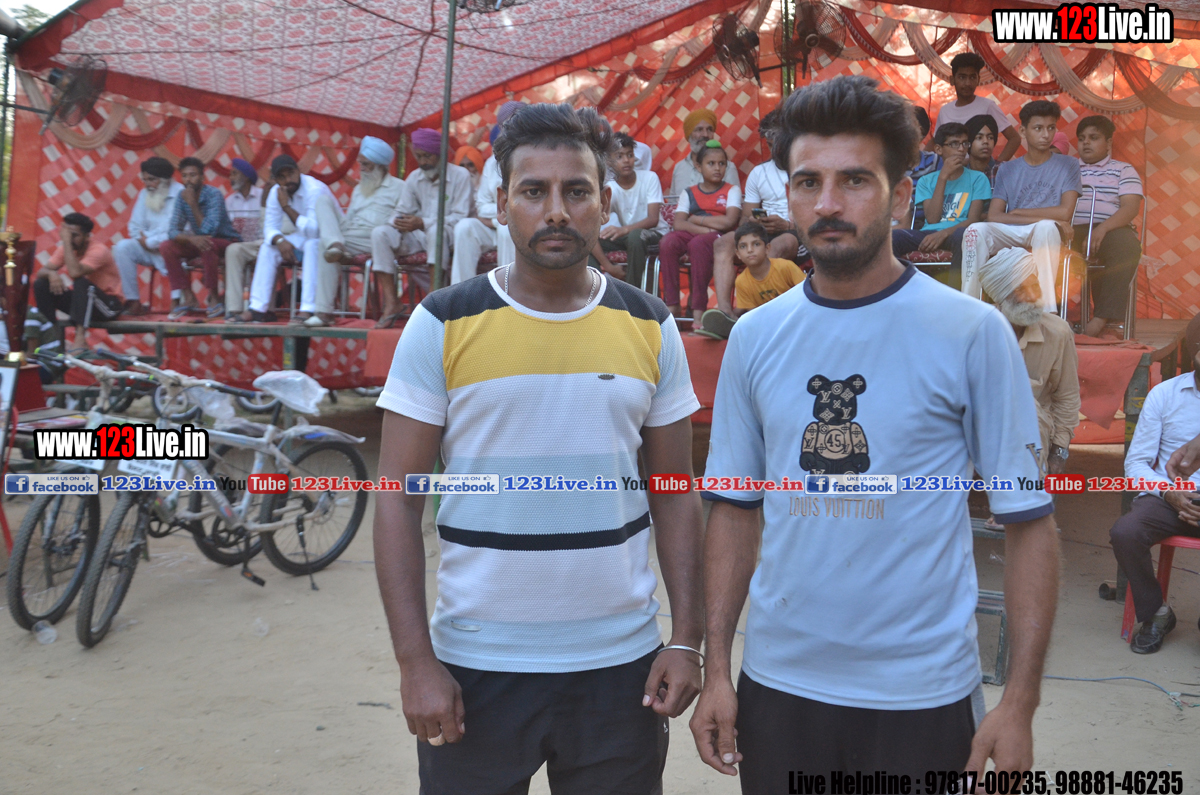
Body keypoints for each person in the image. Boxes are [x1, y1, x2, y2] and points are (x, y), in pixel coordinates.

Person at [688, 75, 1058, 786]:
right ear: (788, 195)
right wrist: (718, 671)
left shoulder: (971, 332)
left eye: (855, 180)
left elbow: (1028, 522)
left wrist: (1019, 703)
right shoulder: (755, 337)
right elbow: (733, 506)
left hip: (922, 695)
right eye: (809, 182)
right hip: (778, 685)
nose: (828, 203)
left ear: (899, 193)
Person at [374, 102, 704, 795]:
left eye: (576, 191)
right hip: (475, 666)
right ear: (502, 203)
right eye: (534, 191)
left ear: (605, 203)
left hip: (619, 668)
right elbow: (397, 500)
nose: (556, 210)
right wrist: (415, 662)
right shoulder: (442, 321)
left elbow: (676, 495)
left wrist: (685, 639)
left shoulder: (650, 323)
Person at [1109, 344, 1200, 653]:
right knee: (1126, 532)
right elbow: (1136, 464)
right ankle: (1157, 613)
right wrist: (1167, 492)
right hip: (1167, 496)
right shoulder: (1165, 394)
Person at [962, 100, 1082, 312]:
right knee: (974, 230)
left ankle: (1046, 311)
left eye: (1051, 128)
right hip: (1013, 231)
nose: (1046, 135)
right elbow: (994, 216)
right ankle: (971, 308)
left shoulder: (1069, 165)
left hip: (1045, 233)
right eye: (1038, 128)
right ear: (1023, 131)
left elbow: (1065, 212)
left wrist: (1018, 212)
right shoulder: (1008, 168)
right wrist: (1040, 217)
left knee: (1046, 228)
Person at [977, 250, 1079, 475]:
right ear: (1001, 297)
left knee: (1026, 410)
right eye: (1021, 290)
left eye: (1036, 286)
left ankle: (1027, 492)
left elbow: (1067, 396)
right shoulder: (976, 332)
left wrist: (1060, 451)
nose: (1034, 296)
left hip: (1033, 430)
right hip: (980, 427)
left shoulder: (1058, 332)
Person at [370, 127, 472, 328]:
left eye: (428, 156)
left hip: (450, 235)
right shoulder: (414, 178)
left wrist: (422, 223)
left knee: (435, 231)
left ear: (440, 154)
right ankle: (392, 303)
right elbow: (401, 210)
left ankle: (434, 302)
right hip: (419, 236)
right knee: (380, 233)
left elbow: (461, 217)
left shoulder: (461, 176)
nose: (423, 161)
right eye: (419, 156)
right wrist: (399, 222)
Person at [303, 136, 407, 327]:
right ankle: (336, 245)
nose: (362, 168)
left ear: (380, 165)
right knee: (322, 201)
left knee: (323, 246)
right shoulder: (360, 189)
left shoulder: (400, 187)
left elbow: (400, 219)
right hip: (351, 233)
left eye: (366, 164)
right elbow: (349, 218)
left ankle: (324, 312)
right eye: (361, 163)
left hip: (375, 237)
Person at [710, 109, 803, 324]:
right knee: (722, 244)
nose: (774, 149)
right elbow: (744, 220)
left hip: (797, 235)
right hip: (764, 232)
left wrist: (787, 225)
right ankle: (725, 314)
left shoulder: (805, 168)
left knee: (774, 247)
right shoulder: (758, 173)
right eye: (770, 144)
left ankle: (767, 316)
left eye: (778, 143)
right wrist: (753, 222)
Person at [892, 122, 990, 288]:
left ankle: (955, 295)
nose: (961, 149)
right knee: (894, 238)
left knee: (964, 236)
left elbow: (973, 220)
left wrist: (943, 234)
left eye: (964, 143)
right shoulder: (926, 181)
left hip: (959, 233)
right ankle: (899, 291)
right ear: (938, 149)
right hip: (929, 234)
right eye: (954, 144)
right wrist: (943, 177)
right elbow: (932, 218)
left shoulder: (978, 179)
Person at [1072, 115, 1144, 338]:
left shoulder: (1123, 170)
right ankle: (1051, 317)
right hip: (1072, 229)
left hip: (1111, 229)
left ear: (1109, 142)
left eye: (1093, 138)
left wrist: (1102, 229)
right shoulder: (1067, 168)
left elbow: (1130, 208)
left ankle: (1103, 318)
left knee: (1127, 247)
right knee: (1042, 242)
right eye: (1081, 138)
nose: (1086, 143)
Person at [246, 155, 337, 324]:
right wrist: (280, 241)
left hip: (330, 237)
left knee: (312, 245)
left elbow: (314, 230)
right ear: (275, 180)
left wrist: (286, 207)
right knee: (268, 247)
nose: (288, 180)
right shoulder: (276, 192)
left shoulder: (314, 189)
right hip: (303, 237)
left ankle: (308, 308)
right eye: (282, 177)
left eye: (291, 174)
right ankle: (257, 308)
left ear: (298, 171)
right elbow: (269, 227)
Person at [660, 141, 742, 324]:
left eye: (722, 164)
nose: (717, 168)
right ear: (698, 167)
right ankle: (672, 304)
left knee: (698, 244)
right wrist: (705, 229)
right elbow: (678, 223)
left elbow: (729, 221)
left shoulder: (732, 190)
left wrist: (697, 219)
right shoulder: (689, 192)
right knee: (668, 242)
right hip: (701, 232)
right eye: (711, 163)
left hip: (719, 237)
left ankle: (698, 311)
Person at [161, 156, 241, 320]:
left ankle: (214, 297)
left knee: (206, 243)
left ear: (202, 177)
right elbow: (172, 230)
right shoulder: (182, 196)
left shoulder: (214, 194)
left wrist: (193, 204)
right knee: (166, 246)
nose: (188, 180)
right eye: (184, 176)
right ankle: (189, 296)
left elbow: (209, 230)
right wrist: (191, 239)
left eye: (193, 175)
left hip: (226, 241)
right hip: (199, 241)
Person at [450, 106, 522, 287]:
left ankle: (508, 292)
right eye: (506, 127)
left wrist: (500, 218)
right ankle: (461, 293)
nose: (510, 131)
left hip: (522, 228)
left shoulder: (536, 159)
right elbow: (481, 205)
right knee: (464, 227)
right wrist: (500, 218)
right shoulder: (492, 163)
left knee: (507, 229)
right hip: (495, 225)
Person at [698, 222, 805, 340]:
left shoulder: (785, 267)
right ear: (738, 254)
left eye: (756, 244)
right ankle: (728, 323)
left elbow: (808, 293)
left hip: (796, 318)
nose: (750, 250)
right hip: (768, 324)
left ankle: (733, 325)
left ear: (767, 248)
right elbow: (755, 314)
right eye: (743, 246)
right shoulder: (741, 281)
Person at [34, 213, 125, 349]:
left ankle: (80, 339)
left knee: (80, 282)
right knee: (41, 284)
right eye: (67, 235)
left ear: (87, 236)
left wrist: (66, 242)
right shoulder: (67, 248)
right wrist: (51, 274)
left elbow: (75, 273)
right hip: (84, 304)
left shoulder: (98, 250)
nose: (70, 239)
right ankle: (50, 337)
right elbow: (41, 272)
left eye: (74, 235)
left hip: (109, 306)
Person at [590, 132, 664, 287]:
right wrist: (609, 267)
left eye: (630, 155)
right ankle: (595, 293)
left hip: (655, 235)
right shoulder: (610, 188)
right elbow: (592, 225)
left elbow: (653, 219)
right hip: (629, 238)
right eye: (619, 156)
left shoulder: (650, 178)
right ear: (609, 161)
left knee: (635, 236)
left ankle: (633, 295)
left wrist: (624, 230)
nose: (626, 160)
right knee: (588, 241)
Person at [112, 156, 183, 316]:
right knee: (122, 248)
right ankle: (133, 301)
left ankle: (178, 301)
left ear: (165, 180)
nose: (147, 184)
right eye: (145, 180)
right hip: (148, 248)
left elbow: (175, 232)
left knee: (170, 246)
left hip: (173, 249)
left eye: (151, 179)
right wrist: (146, 242)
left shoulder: (181, 194)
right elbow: (134, 227)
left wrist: (149, 241)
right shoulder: (144, 193)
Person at [933, 53, 1020, 162]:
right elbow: (936, 141)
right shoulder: (945, 110)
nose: (967, 83)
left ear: (978, 80)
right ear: (952, 80)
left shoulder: (988, 106)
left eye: (972, 77)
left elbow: (1014, 138)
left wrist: (997, 167)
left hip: (979, 170)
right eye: (962, 77)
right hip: (951, 171)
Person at [669, 108, 740, 195]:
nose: (705, 135)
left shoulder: (727, 168)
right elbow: (673, 202)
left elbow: (736, 200)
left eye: (709, 130)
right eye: (699, 130)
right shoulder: (679, 168)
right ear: (689, 134)